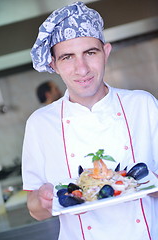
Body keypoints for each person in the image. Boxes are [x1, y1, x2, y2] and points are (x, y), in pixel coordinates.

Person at [22, 2, 158, 240]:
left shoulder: (143, 105)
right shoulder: (40, 124)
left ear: (105, 52)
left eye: (90, 53)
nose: (81, 69)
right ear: (54, 64)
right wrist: (41, 199)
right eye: (67, 57)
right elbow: (35, 211)